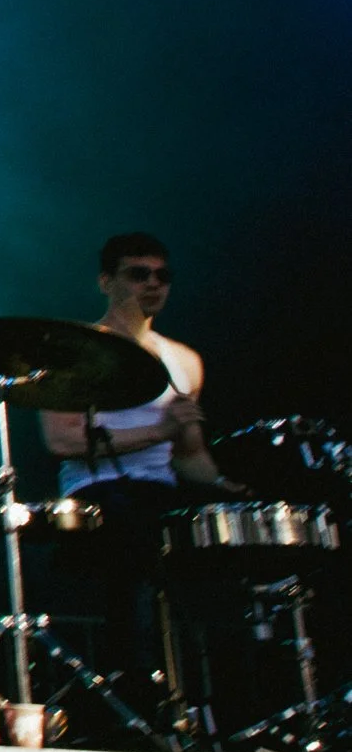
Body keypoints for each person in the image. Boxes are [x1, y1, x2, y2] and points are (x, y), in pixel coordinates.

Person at [38, 232, 242, 708]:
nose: (153, 284)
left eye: (162, 276)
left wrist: (227, 486)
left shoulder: (184, 361)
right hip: (98, 493)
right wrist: (159, 433)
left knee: (228, 546)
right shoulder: (76, 351)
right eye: (138, 274)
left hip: (161, 492)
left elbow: (189, 453)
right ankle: (131, 690)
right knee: (136, 534)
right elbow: (63, 440)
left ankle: (214, 701)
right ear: (106, 282)